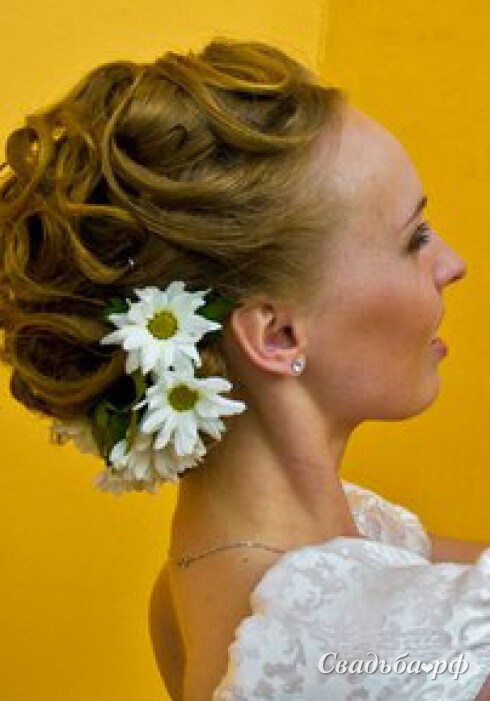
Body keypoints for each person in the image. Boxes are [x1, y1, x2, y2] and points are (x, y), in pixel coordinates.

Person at [0, 37, 488, 701]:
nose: (453, 264)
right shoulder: (419, 647)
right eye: (414, 239)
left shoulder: (191, 594)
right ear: (278, 335)